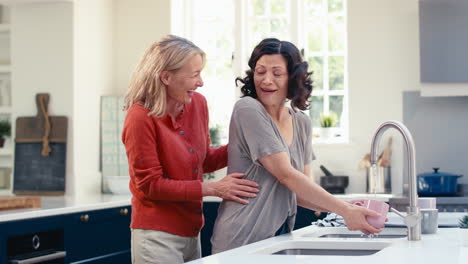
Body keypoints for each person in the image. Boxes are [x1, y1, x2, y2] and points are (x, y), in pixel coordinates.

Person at [211, 38, 382, 253]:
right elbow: (285, 174)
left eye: (277, 73)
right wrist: (345, 210)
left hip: (280, 237)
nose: (266, 80)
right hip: (241, 235)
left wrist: (346, 209)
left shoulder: (302, 122)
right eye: (260, 71)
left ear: (292, 78)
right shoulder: (247, 109)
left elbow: (299, 193)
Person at [122, 35, 259, 264]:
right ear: (166, 77)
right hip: (157, 237)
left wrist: (245, 143)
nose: (201, 82)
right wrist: (213, 188)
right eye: (194, 75)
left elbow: (203, 161)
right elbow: (150, 185)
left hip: (191, 233)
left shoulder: (198, 104)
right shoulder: (139, 117)